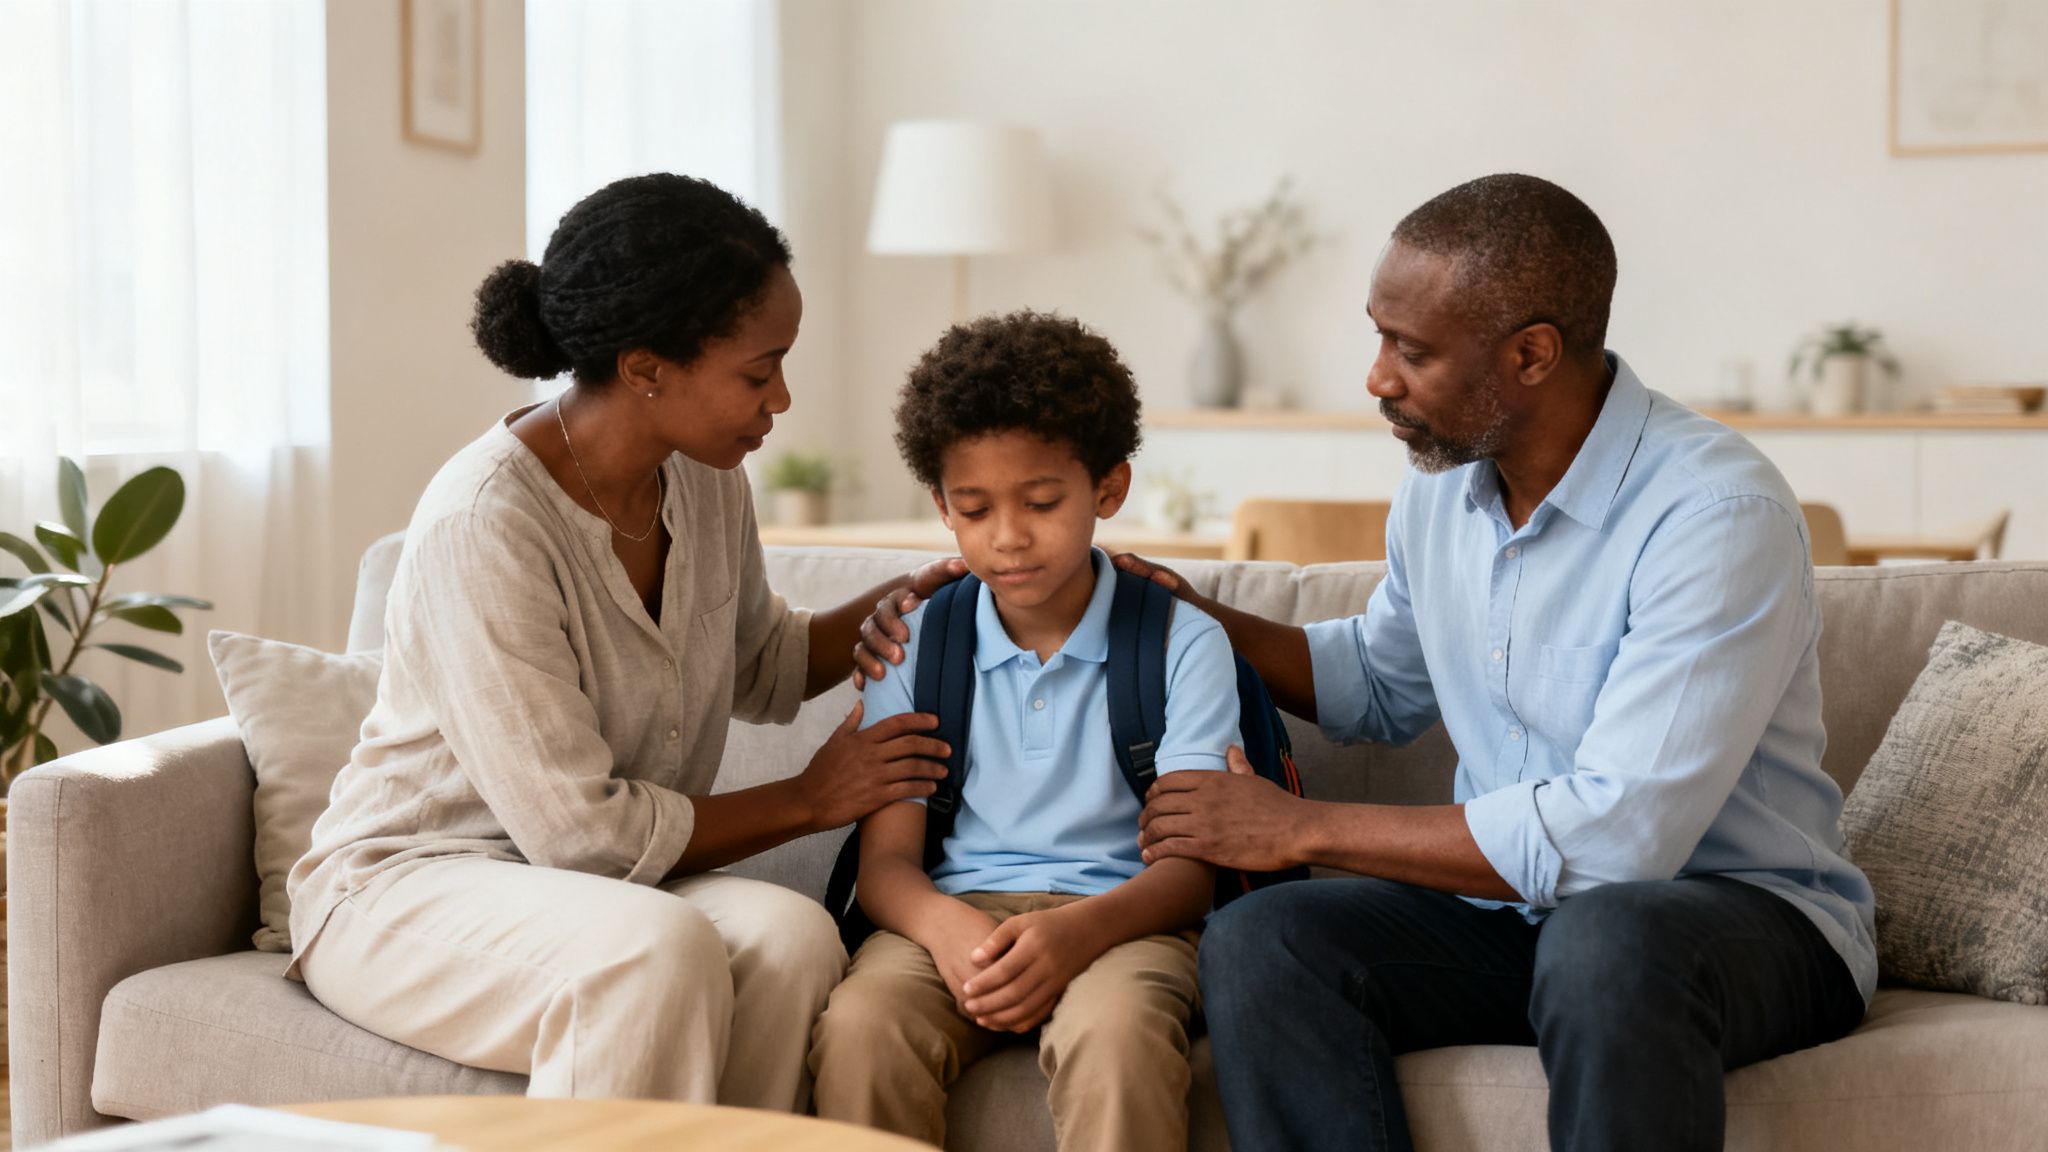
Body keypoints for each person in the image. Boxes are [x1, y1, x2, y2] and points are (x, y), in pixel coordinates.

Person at [857, 174, 1877, 1152]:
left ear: (1528, 355)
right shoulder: (1443, 487)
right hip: (1511, 917)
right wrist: (1180, 607)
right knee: (1265, 942)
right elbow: (1378, 688)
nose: (1375, 376)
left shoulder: (1710, 512)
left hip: (1735, 921)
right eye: (1376, 334)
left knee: (1605, 940)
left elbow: (1619, 838)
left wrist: (1303, 831)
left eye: (1409, 349)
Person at [285, 173, 963, 1111]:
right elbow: (582, 836)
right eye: (758, 373)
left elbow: (764, 664)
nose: (784, 399)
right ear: (647, 369)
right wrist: (813, 797)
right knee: (655, 952)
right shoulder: (485, 523)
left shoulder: (707, 474)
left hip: (591, 889)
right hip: (411, 887)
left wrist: (929, 591)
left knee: (794, 934)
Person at [808, 311, 1242, 1152]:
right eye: (974, 508)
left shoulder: (1182, 641)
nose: (1008, 537)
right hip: (952, 914)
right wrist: (944, 927)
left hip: (1125, 920)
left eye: (1042, 502)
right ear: (940, 506)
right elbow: (887, 863)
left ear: (1107, 490)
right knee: (863, 1026)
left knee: (1117, 1041)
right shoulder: (914, 639)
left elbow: (1191, 874)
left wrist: (1075, 932)